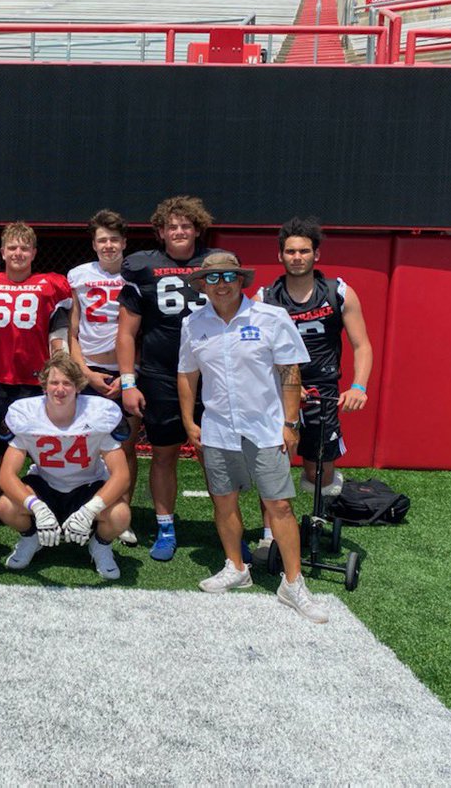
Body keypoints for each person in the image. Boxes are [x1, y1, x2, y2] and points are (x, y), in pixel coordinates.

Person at [176, 252, 328, 623]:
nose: (222, 283)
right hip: (217, 430)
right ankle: (236, 567)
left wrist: (290, 423)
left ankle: (293, 583)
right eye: (212, 278)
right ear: (201, 285)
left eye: (229, 275)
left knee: (279, 506)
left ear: (241, 279)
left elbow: (290, 370)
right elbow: (187, 374)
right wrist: (188, 422)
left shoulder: (271, 317)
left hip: (266, 428)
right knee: (224, 501)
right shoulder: (193, 324)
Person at [117, 195, 221, 563]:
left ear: (197, 228)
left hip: (212, 375)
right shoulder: (144, 268)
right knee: (163, 455)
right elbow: (127, 333)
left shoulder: (216, 264)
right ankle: (165, 526)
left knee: (216, 456)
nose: (179, 231)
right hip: (160, 374)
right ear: (160, 232)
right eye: (172, 226)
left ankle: (227, 527)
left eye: (185, 225)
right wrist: (129, 383)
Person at [255, 216, 373, 497]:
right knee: (276, 465)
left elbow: (362, 346)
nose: (297, 258)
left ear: (316, 254)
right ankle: (271, 533)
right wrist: (290, 387)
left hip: (323, 390)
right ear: (280, 255)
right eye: (291, 251)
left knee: (318, 474)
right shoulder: (265, 298)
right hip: (279, 390)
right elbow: (255, 355)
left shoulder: (339, 292)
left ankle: (319, 520)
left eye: (304, 251)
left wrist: (359, 386)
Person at [0, 352, 132, 580]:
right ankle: (31, 538)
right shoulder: (27, 415)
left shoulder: (98, 414)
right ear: (44, 387)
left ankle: (100, 545)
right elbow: (6, 476)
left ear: (78, 387)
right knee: (5, 507)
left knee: (120, 515)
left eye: (67, 383)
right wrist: (36, 507)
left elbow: (121, 475)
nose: (60, 389)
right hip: (46, 484)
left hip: (86, 485)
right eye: (54, 383)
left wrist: (91, 510)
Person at [0, 221, 72, 496]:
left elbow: (57, 338)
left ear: (34, 253)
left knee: (42, 446)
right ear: (2, 251)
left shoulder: (50, 285)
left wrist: (60, 377)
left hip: (36, 381)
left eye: (25, 248)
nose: (18, 253)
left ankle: (47, 498)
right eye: (12, 247)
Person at [67, 208, 140, 545]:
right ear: (94, 245)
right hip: (90, 370)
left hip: (126, 371)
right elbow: (73, 330)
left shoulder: (138, 273)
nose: (108, 245)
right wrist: (84, 371)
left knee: (124, 446)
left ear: (124, 242)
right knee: (86, 444)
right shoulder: (78, 274)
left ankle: (122, 512)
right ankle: (83, 508)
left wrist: (128, 376)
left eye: (114, 239)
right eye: (102, 240)